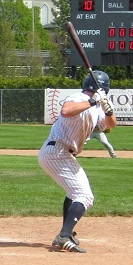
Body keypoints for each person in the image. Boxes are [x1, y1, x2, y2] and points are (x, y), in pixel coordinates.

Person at [38, 71, 116, 253]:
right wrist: (93, 101)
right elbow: (66, 111)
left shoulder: (98, 107)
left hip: (62, 153)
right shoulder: (78, 97)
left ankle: (67, 233)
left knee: (74, 193)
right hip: (57, 151)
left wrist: (108, 109)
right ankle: (63, 237)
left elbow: (110, 125)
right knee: (85, 196)